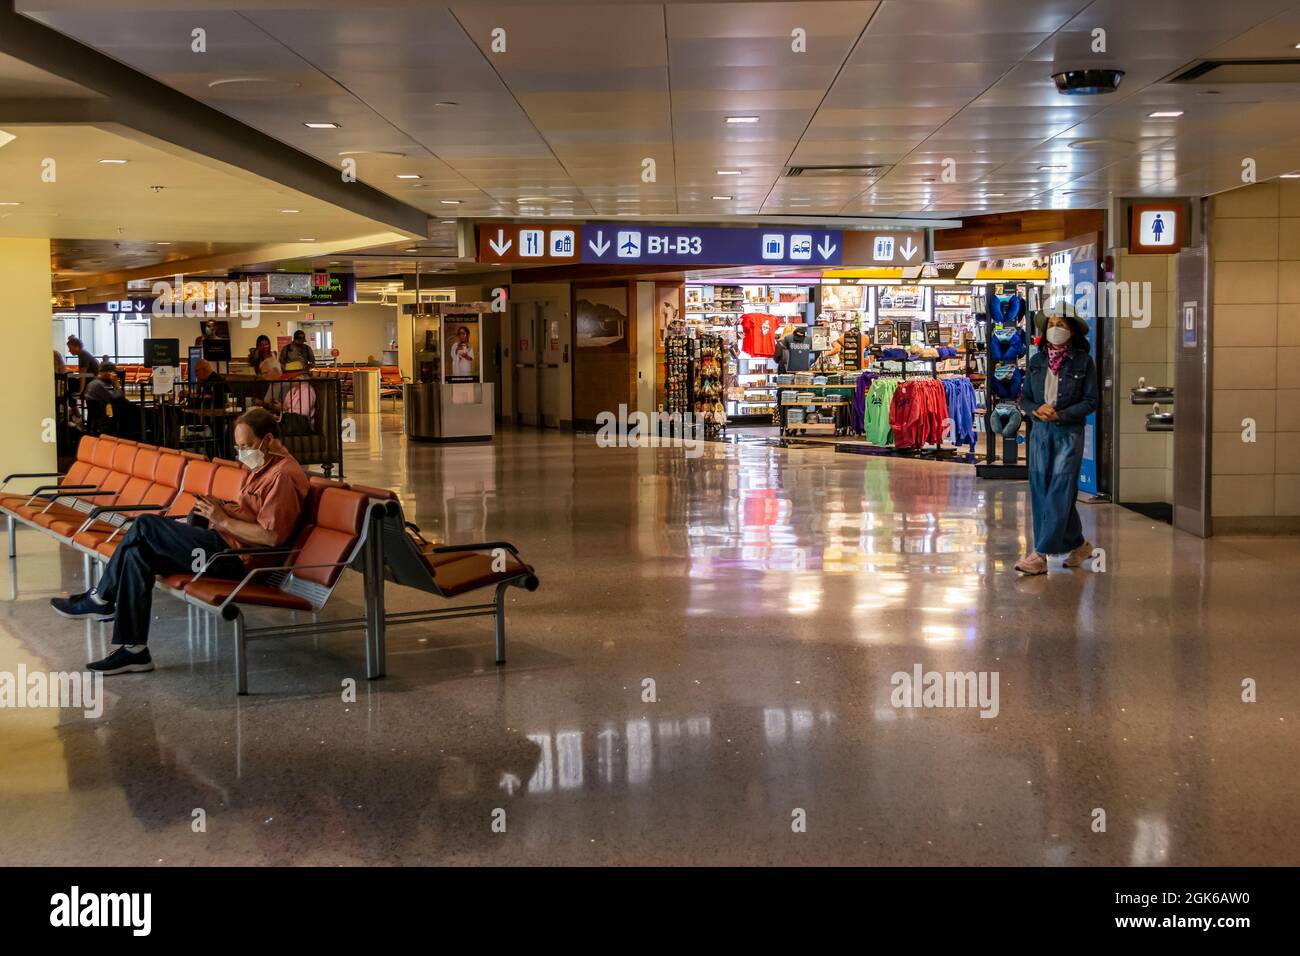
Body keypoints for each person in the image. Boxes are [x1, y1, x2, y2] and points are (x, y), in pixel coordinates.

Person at [50, 407, 309, 675]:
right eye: (238, 446)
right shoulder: (265, 466)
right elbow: (253, 516)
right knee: (137, 554)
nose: (242, 453)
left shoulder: (283, 476)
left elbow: (272, 536)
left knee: (145, 525)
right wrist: (220, 510)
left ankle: (101, 597)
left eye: (246, 445)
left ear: (268, 439)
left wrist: (223, 519)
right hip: (220, 544)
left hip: (233, 560)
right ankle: (134, 650)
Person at [1014, 303, 1099, 576]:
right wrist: (1034, 410)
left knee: (1060, 490)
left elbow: (1091, 401)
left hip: (1068, 432)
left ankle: (1040, 554)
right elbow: (1025, 397)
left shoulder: (1084, 362)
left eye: (1061, 324)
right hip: (1039, 432)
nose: (1055, 329)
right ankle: (1079, 545)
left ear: (1072, 330)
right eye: (1050, 324)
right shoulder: (1037, 361)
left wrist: (1061, 414)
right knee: (1041, 489)